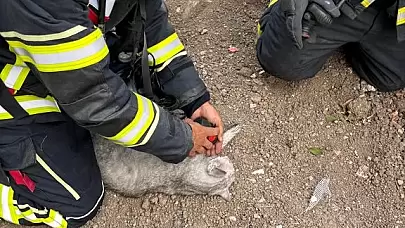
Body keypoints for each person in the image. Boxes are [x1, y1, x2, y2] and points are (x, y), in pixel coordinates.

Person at [0, 0, 224, 227]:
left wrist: (193, 97)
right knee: (73, 205)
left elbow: (151, 19)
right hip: (13, 90)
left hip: (54, 61)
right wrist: (183, 138)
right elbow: (98, 100)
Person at [256, 0, 404, 92]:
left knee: (389, 80)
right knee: (282, 61)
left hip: (394, 17)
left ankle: (350, 40)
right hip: (342, 3)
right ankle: (279, 6)